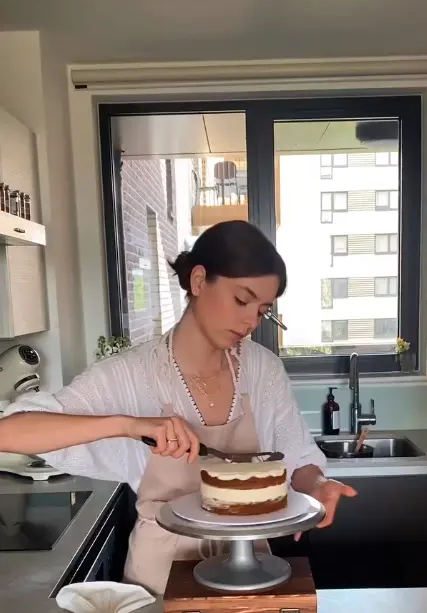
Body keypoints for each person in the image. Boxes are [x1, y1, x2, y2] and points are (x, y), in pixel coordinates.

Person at [0, 221, 356, 594]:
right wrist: (128, 424)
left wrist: (318, 484)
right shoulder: (131, 374)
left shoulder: (262, 370)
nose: (251, 321)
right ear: (199, 281)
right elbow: (11, 432)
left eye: (263, 309)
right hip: (161, 576)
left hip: (249, 567)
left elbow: (297, 459)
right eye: (241, 299)